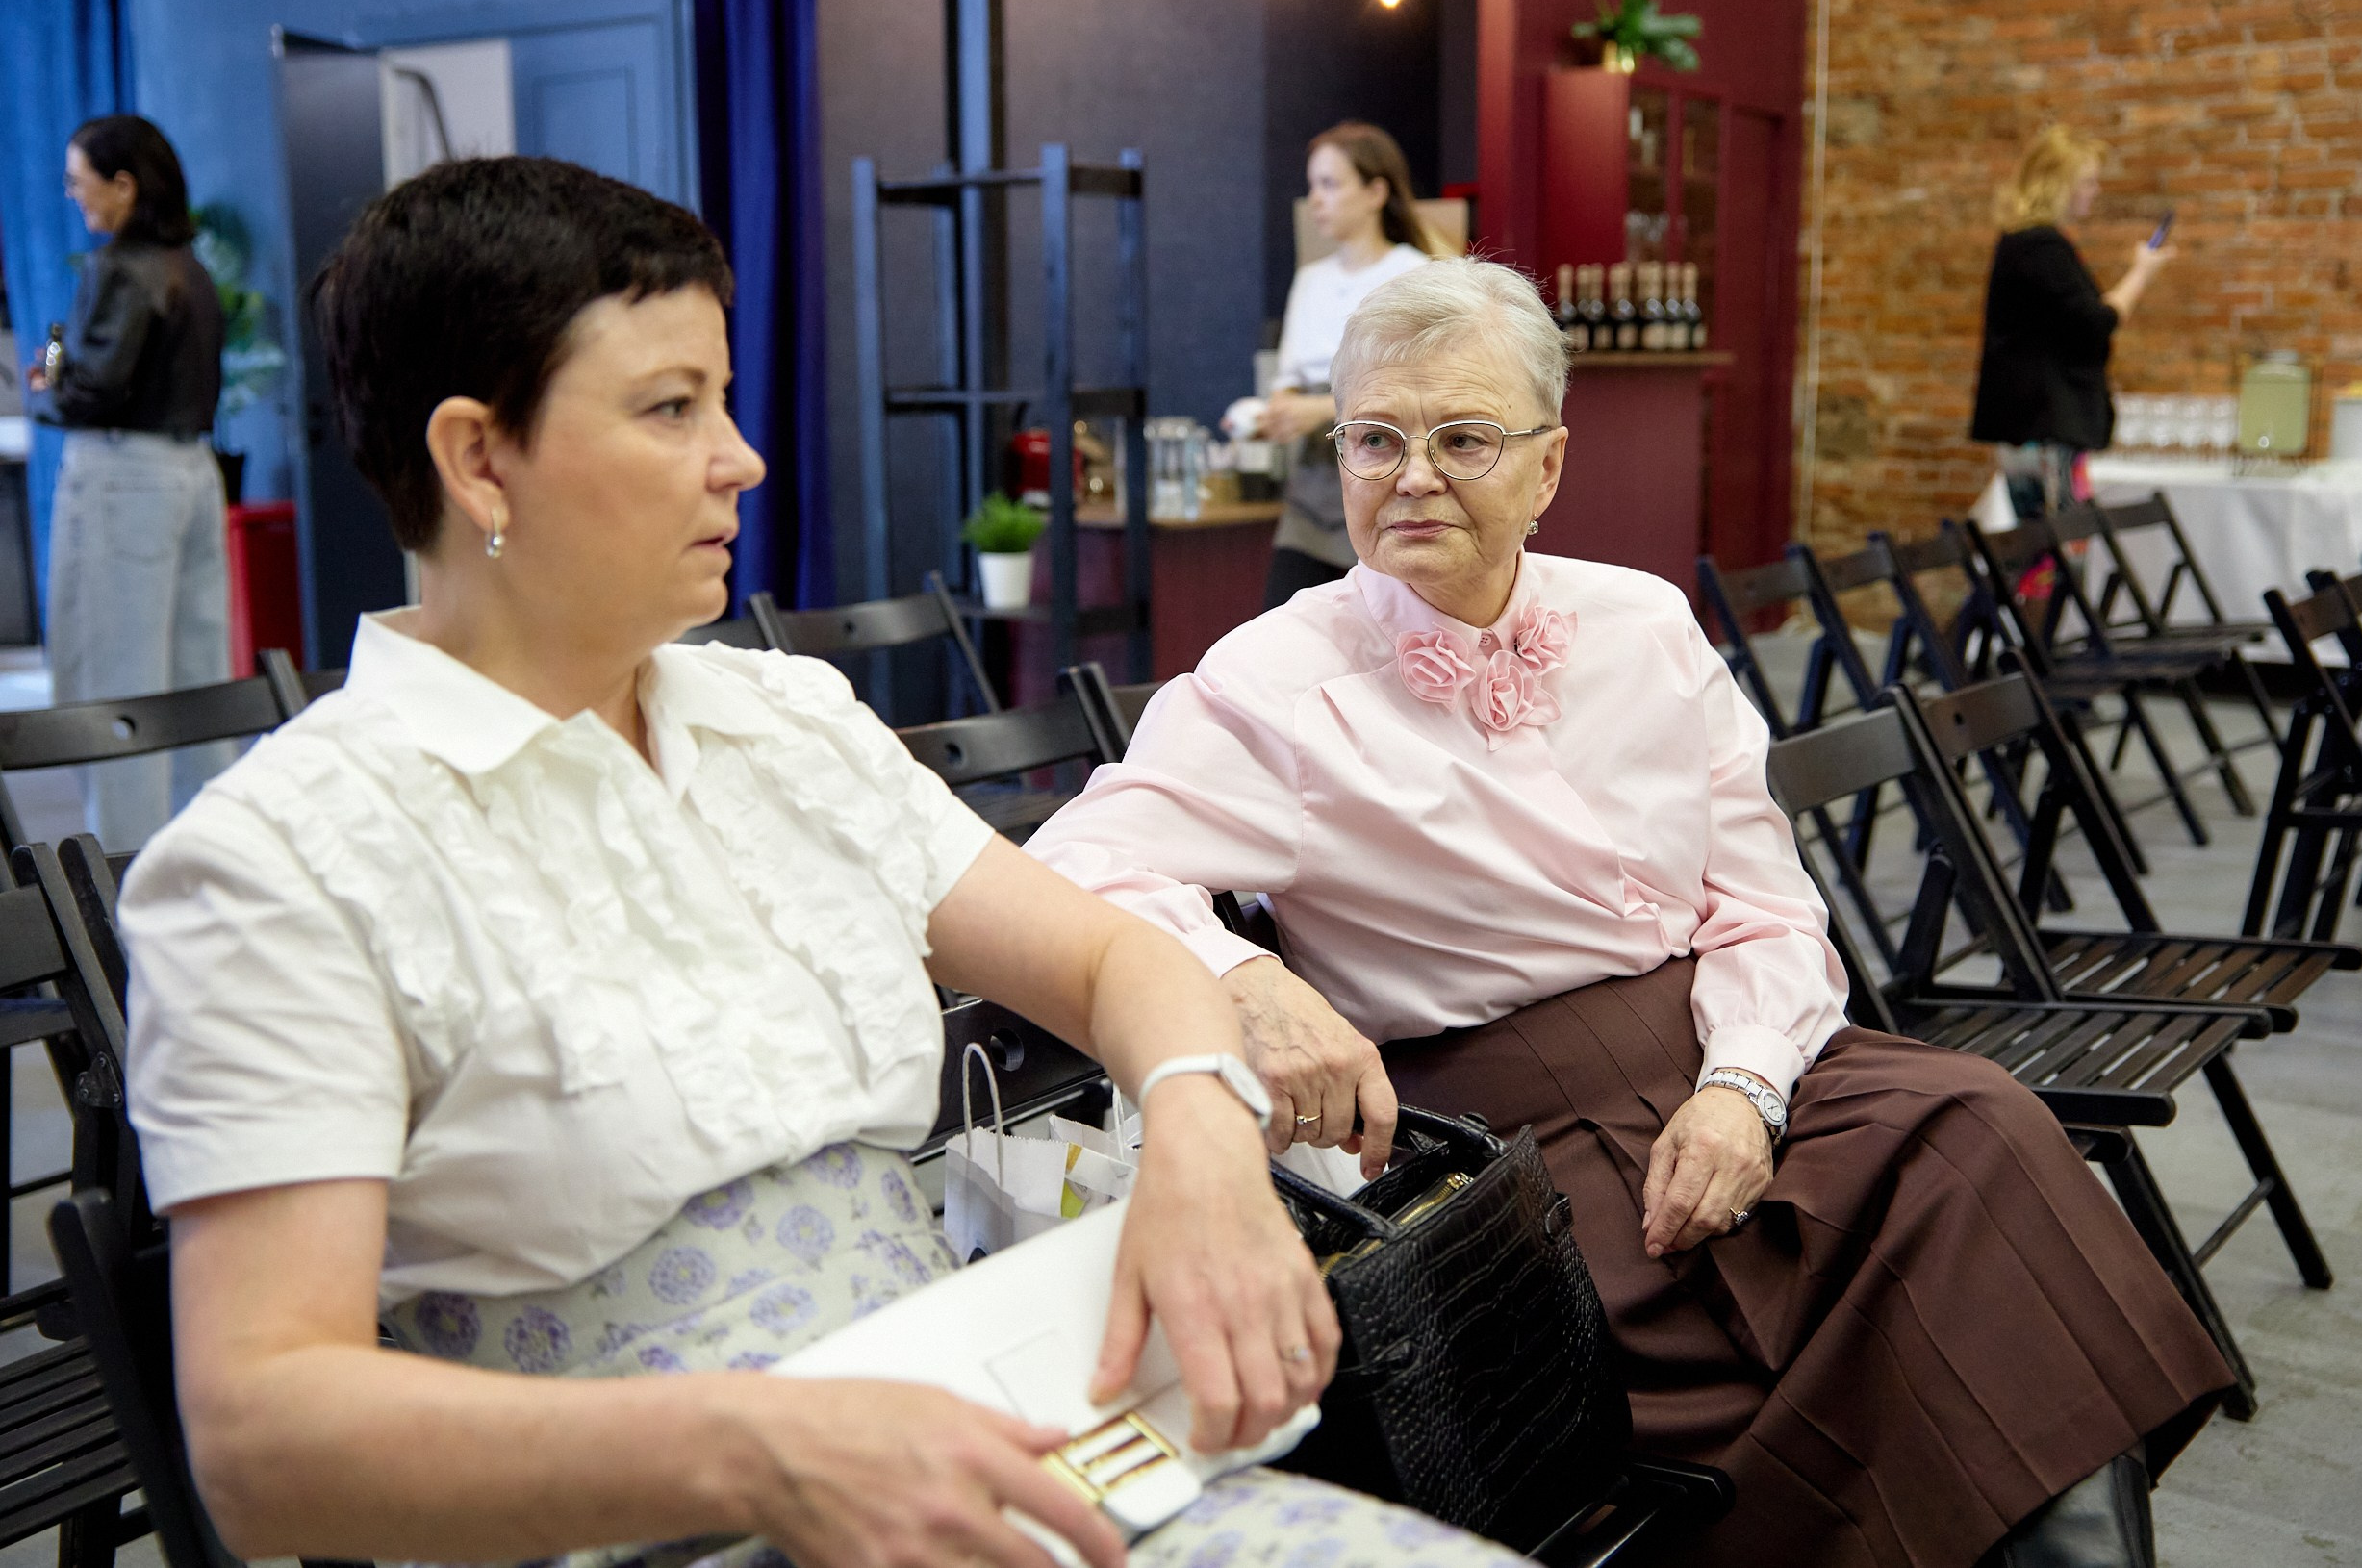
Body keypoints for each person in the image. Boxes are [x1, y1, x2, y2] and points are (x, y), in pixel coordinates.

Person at [117, 157, 1529, 1568]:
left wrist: (1206, 1141)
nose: (742, 457)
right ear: (480, 457)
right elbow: (262, 1437)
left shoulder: (784, 723)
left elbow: (1113, 954)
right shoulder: (283, 859)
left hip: (995, 1445)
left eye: (722, 400)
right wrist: (772, 1446)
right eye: (673, 408)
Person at [1028, 258, 2234, 1568]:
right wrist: (1233, 973)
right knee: (1834, 1340)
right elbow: (1075, 862)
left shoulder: (1645, 622)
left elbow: (1767, 901)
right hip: (1506, 1146)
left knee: (1982, 1132)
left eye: (1464, 437)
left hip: (1733, 1055)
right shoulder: (1274, 678)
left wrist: (1747, 1085)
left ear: (1547, 467)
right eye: (1376, 437)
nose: (1413, 473)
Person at [23, 114, 232, 849]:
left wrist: (44, 367)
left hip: (121, 478)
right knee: (197, 679)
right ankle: (208, 855)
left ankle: (119, 874)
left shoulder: (115, 268)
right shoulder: (194, 269)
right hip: (193, 474)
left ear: (123, 185)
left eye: (80, 182)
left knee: (114, 679)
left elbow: (81, 390)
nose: (73, 195)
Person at [1244, 122, 1432, 610]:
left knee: (1382, 627)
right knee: (1284, 630)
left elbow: (1419, 387)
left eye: (1330, 184)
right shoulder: (1311, 279)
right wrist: (1278, 411)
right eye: (1312, 187)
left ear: (1375, 191)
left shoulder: (1413, 274)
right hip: (1311, 486)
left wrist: (1321, 410)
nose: (1316, 200)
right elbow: (1286, 380)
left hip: (1383, 476)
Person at [1970, 123, 2173, 518]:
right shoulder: (2041, 245)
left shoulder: (2025, 244)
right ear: (2058, 184)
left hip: (2032, 424)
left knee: (2041, 550)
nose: (2095, 192)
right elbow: (2095, 322)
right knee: (2056, 549)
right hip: (2045, 426)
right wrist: (2141, 273)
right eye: (2087, 182)